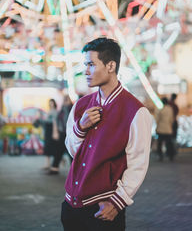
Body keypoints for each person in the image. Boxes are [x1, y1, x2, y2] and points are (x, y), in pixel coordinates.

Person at [61, 37, 152, 231]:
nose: (86, 71)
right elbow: (73, 151)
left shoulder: (135, 111)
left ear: (111, 66)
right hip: (70, 205)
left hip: (103, 207)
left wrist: (118, 202)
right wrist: (80, 128)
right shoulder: (81, 106)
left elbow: (138, 163)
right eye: (85, 64)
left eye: (91, 64)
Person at [47, 95, 73, 175]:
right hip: (62, 132)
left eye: (66, 99)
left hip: (71, 133)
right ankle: (55, 168)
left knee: (71, 152)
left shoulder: (72, 108)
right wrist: (56, 131)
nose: (65, 100)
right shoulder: (61, 109)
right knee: (58, 151)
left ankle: (75, 170)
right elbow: (57, 121)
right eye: (64, 99)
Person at [33, 98, 58, 169]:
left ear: (54, 103)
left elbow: (53, 121)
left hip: (51, 130)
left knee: (51, 146)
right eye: (50, 103)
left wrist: (42, 120)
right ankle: (48, 164)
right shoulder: (50, 111)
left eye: (52, 103)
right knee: (48, 147)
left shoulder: (55, 111)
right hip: (48, 130)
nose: (51, 104)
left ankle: (55, 162)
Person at [155, 97, 174, 162]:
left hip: (161, 129)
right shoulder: (170, 109)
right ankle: (170, 155)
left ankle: (160, 155)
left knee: (160, 143)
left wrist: (156, 127)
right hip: (168, 129)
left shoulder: (160, 110)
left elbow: (157, 120)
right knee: (169, 143)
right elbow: (171, 119)